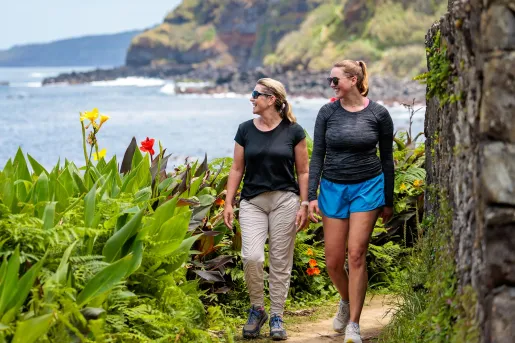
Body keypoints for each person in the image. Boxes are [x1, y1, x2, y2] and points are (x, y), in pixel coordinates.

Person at [307, 60, 394, 343]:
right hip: (332, 188)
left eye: (335, 80)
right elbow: (317, 155)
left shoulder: (379, 114)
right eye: (330, 80)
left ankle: (354, 324)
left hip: (367, 188)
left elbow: (387, 160)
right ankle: (345, 301)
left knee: (356, 254)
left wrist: (388, 200)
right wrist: (310, 197)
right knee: (333, 261)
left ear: (353, 80)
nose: (331, 85)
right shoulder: (327, 112)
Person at [223, 78, 310, 340]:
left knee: (281, 262)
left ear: (271, 99)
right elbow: (237, 168)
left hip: (285, 200)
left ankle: (277, 316)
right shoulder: (244, 130)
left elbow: (303, 172)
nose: (251, 98)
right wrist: (228, 202)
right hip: (252, 202)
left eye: (255, 94)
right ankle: (257, 308)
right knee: (252, 257)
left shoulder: (294, 131)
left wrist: (305, 203)